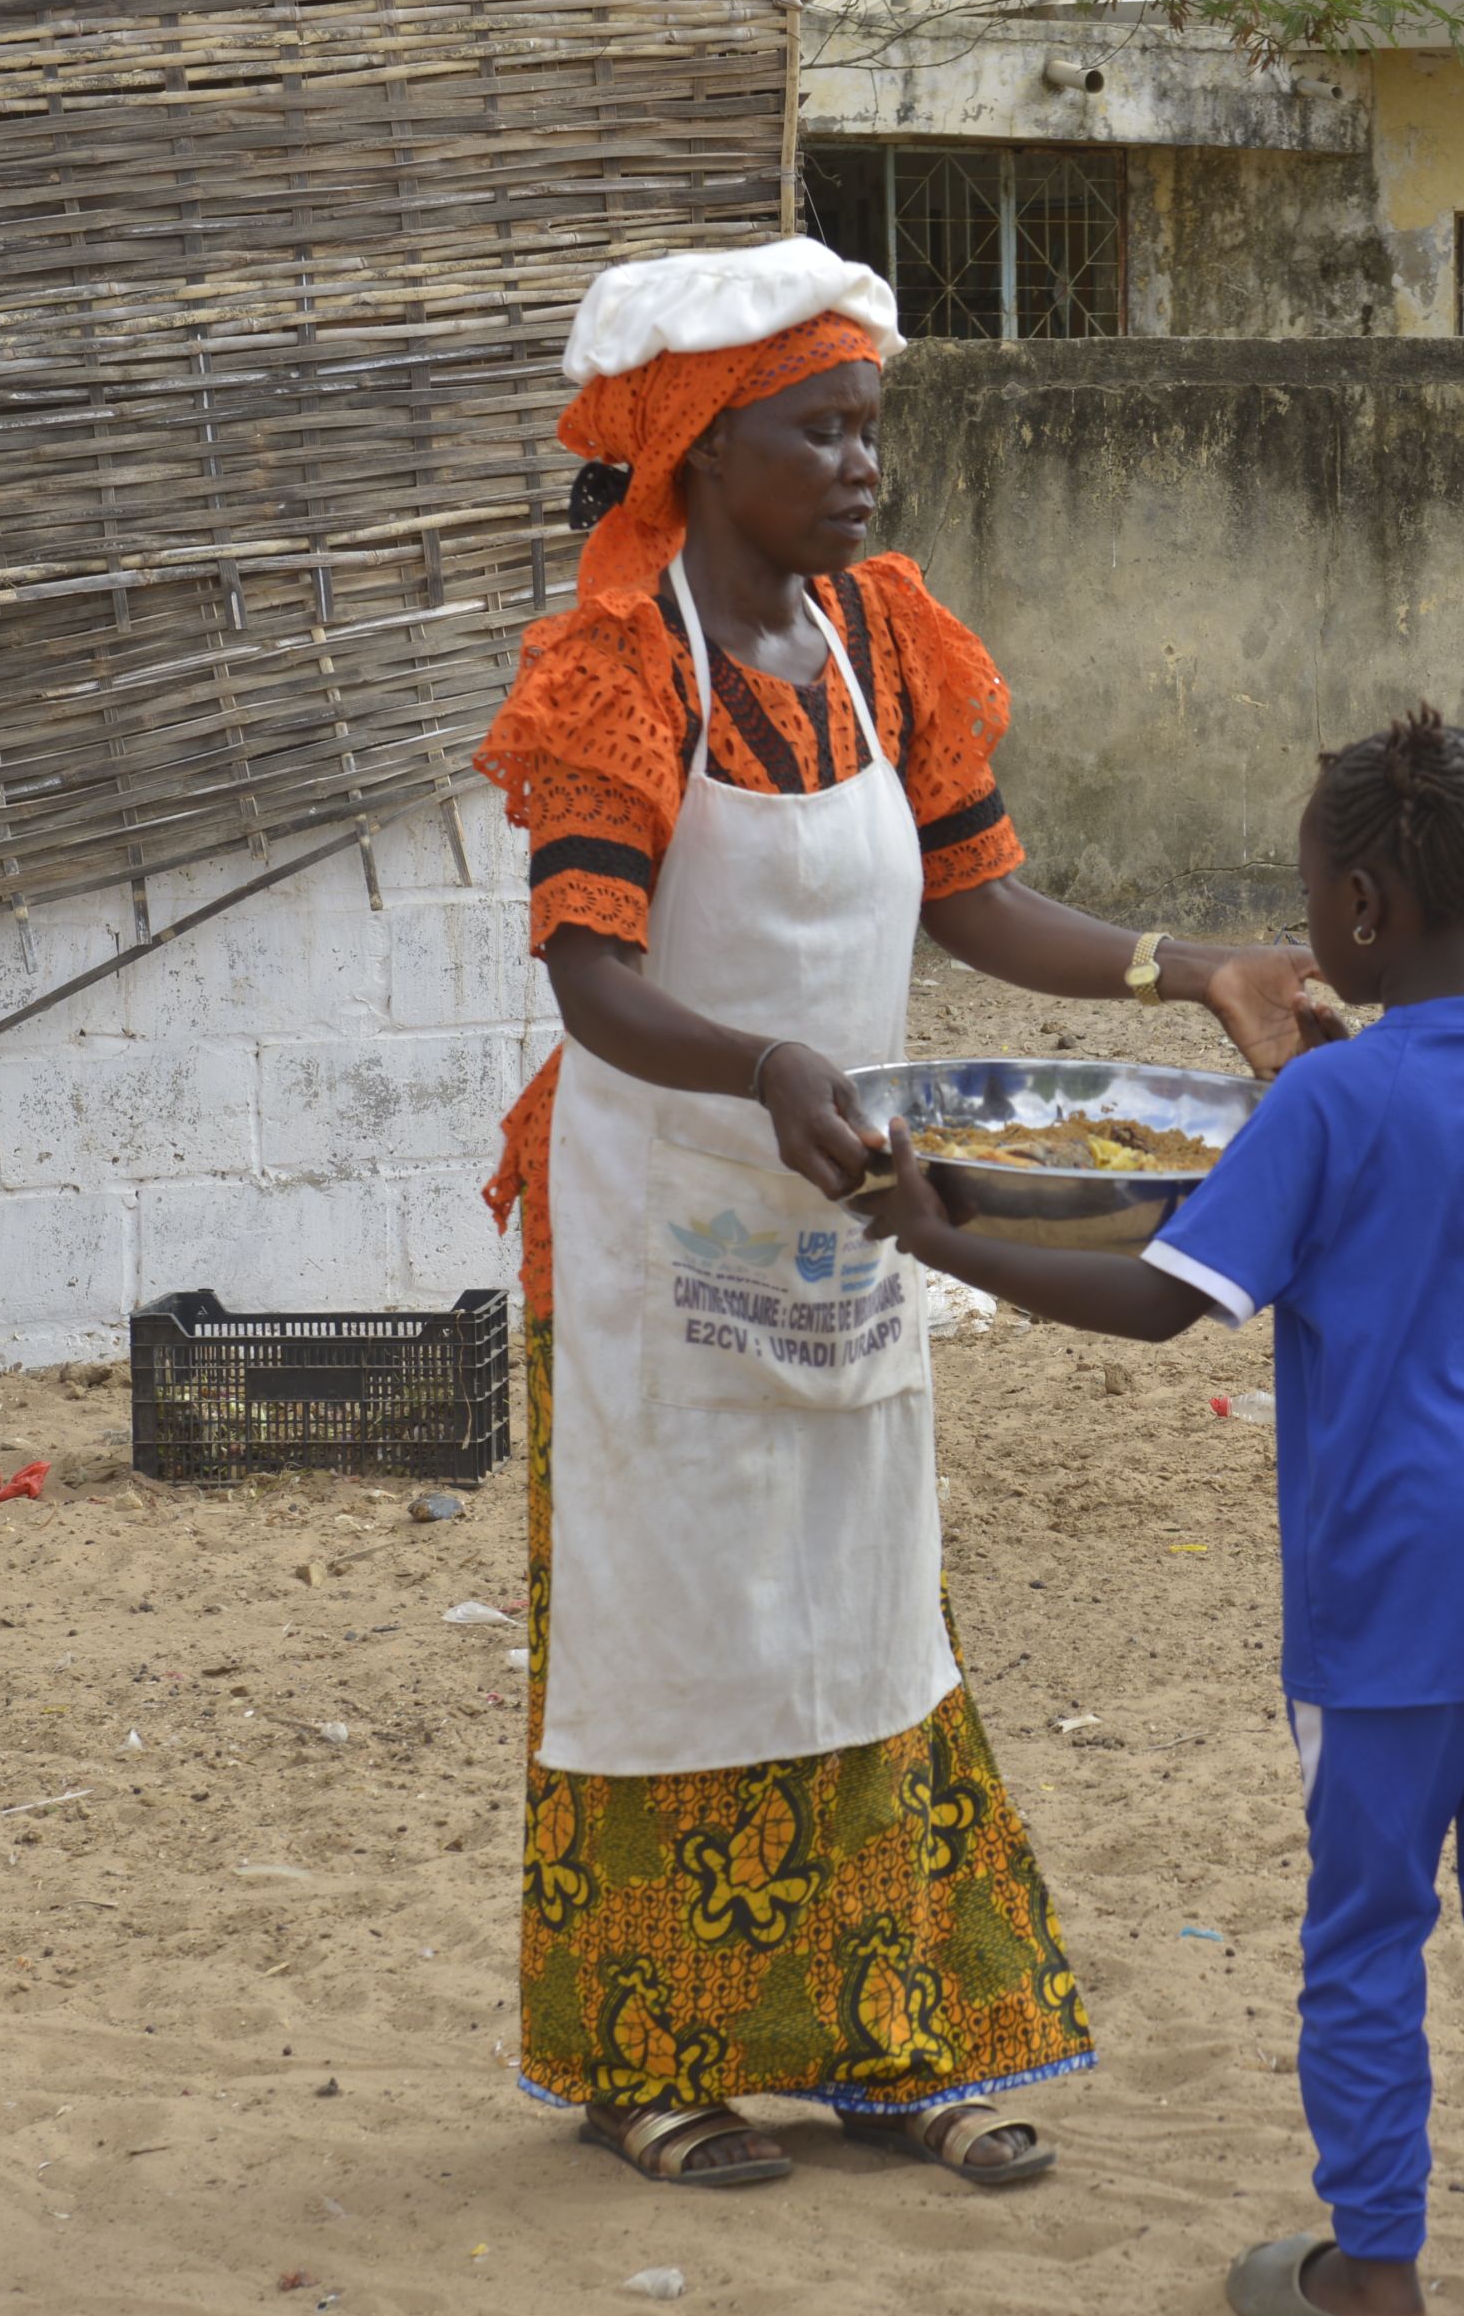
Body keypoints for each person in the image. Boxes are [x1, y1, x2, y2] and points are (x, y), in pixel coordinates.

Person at [474, 239, 1328, 2190]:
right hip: (653, 1241)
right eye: (820, 427)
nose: (862, 463)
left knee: (856, 1623)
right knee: (672, 1636)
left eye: (872, 425)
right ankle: (647, 2065)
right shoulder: (621, 665)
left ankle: (890, 2047)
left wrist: (1186, 966)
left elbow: (970, 897)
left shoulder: (880, 638)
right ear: (701, 443)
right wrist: (763, 1065)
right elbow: (591, 978)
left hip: (842, 1218)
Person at [858, 707, 1464, 2316]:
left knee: (1369, 1920)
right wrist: (1335, 1088)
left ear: (1357, 906)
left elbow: (1158, 1302)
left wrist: (947, 1237)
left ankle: (1377, 2272)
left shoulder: (1328, 1105)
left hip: (1395, 1576)